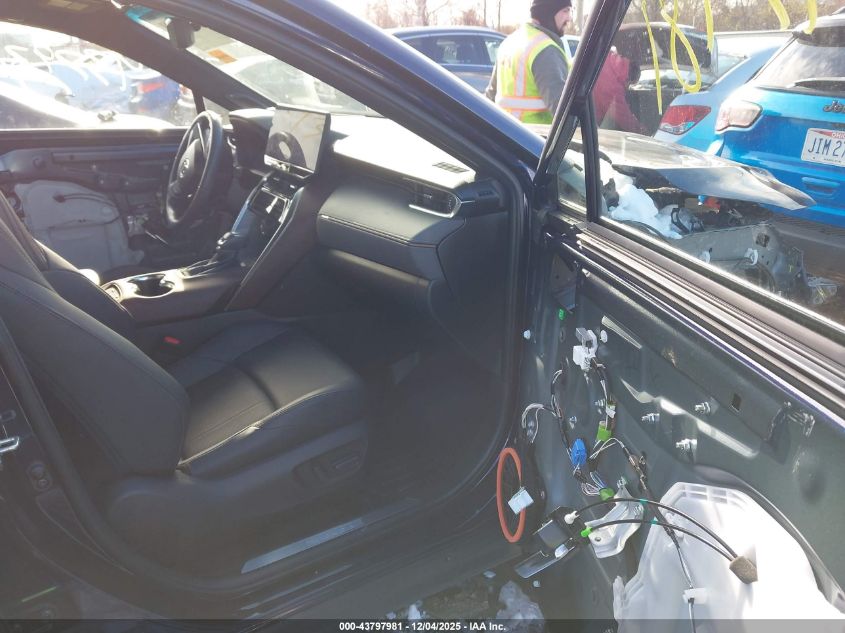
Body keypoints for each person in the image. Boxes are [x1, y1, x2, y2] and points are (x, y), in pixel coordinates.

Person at [485, 0, 572, 124]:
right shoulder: (546, 50)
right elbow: (565, 114)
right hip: (535, 134)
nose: (569, 18)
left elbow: (489, 97)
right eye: (565, 11)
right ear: (548, 12)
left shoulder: (509, 42)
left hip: (504, 132)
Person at [593, 50, 647, 134]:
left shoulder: (608, 55)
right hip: (589, 121)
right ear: (628, 79)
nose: (627, 88)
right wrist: (640, 130)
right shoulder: (614, 87)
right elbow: (622, 114)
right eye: (630, 84)